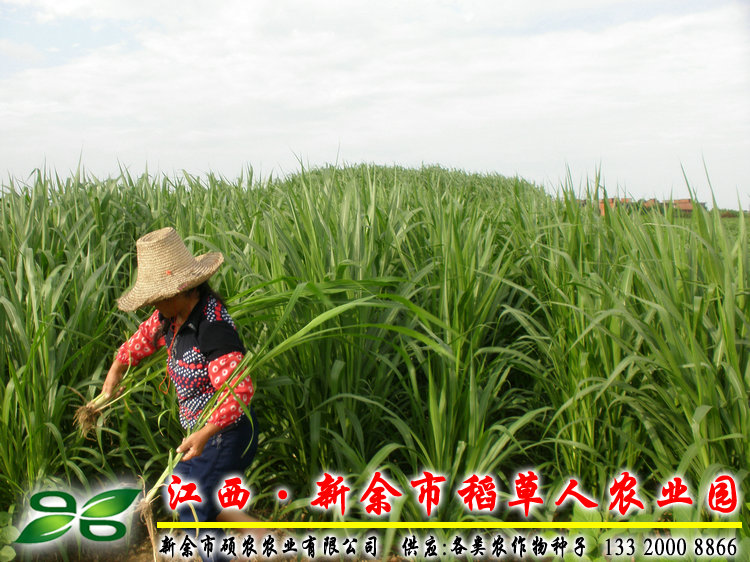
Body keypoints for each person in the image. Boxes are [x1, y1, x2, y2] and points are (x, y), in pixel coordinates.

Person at [96, 226, 259, 526]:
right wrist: (113, 377)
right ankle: (266, 539)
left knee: (193, 506)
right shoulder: (168, 319)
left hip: (227, 432)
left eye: (157, 297)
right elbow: (139, 341)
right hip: (202, 434)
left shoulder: (212, 328)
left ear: (181, 290)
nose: (152, 305)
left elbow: (239, 390)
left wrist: (205, 433)